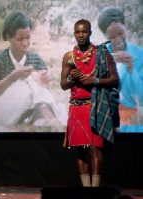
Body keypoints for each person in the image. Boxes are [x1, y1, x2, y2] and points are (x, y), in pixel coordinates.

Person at [60, 19, 119, 187]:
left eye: (84, 31)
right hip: (76, 107)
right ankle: (86, 190)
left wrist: (94, 80)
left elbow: (115, 79)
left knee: (95, 148)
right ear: (74, 33)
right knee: (80, 149)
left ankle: (96, 189)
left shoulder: (101, 53)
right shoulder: (69, 57)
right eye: (78, 32)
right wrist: (73, 78)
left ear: (90, 33)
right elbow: (63, 85)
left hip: (95, 105)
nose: (81, 35)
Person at [98, 7, 143, 132]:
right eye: (112, 37)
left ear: (125, 28)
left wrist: (131, 68)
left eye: (120, 34)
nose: (118, 40)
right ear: (105, 35)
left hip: (132, 120)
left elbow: (140, 97)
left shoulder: (139, 55)